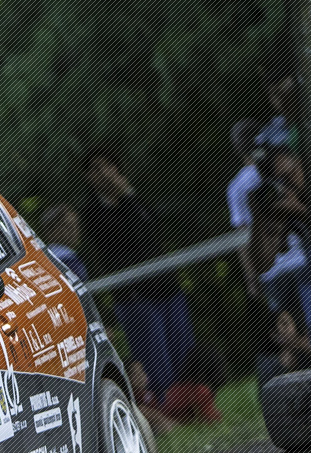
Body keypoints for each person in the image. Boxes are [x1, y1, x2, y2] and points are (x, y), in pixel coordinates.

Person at [80, 148, 194, 403]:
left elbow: (150, 233)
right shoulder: (93, 214)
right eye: (95, 169)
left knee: (182, 349)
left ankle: (193, 400)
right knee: (154, 356)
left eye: (107, 165)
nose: (103, 173)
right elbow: (120, 242)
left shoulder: (136, 200)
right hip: (134, 297)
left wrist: (128, 197)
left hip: (166, 288)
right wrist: (123, 203)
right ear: (88, 177)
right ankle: (165, 406)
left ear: (117, 168)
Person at [246, 147, 311, 340]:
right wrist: (259, 217)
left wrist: (301, 210)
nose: (289, 185)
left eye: (291, 174)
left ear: (301, 163)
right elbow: (262, 263)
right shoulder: (285, 208)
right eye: (281, 181)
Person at [36, 203, 90, 282]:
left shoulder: (42, 259)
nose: (75, 231)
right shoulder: (67, 262)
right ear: (51, 231)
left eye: (76, 225)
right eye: (69, 227)